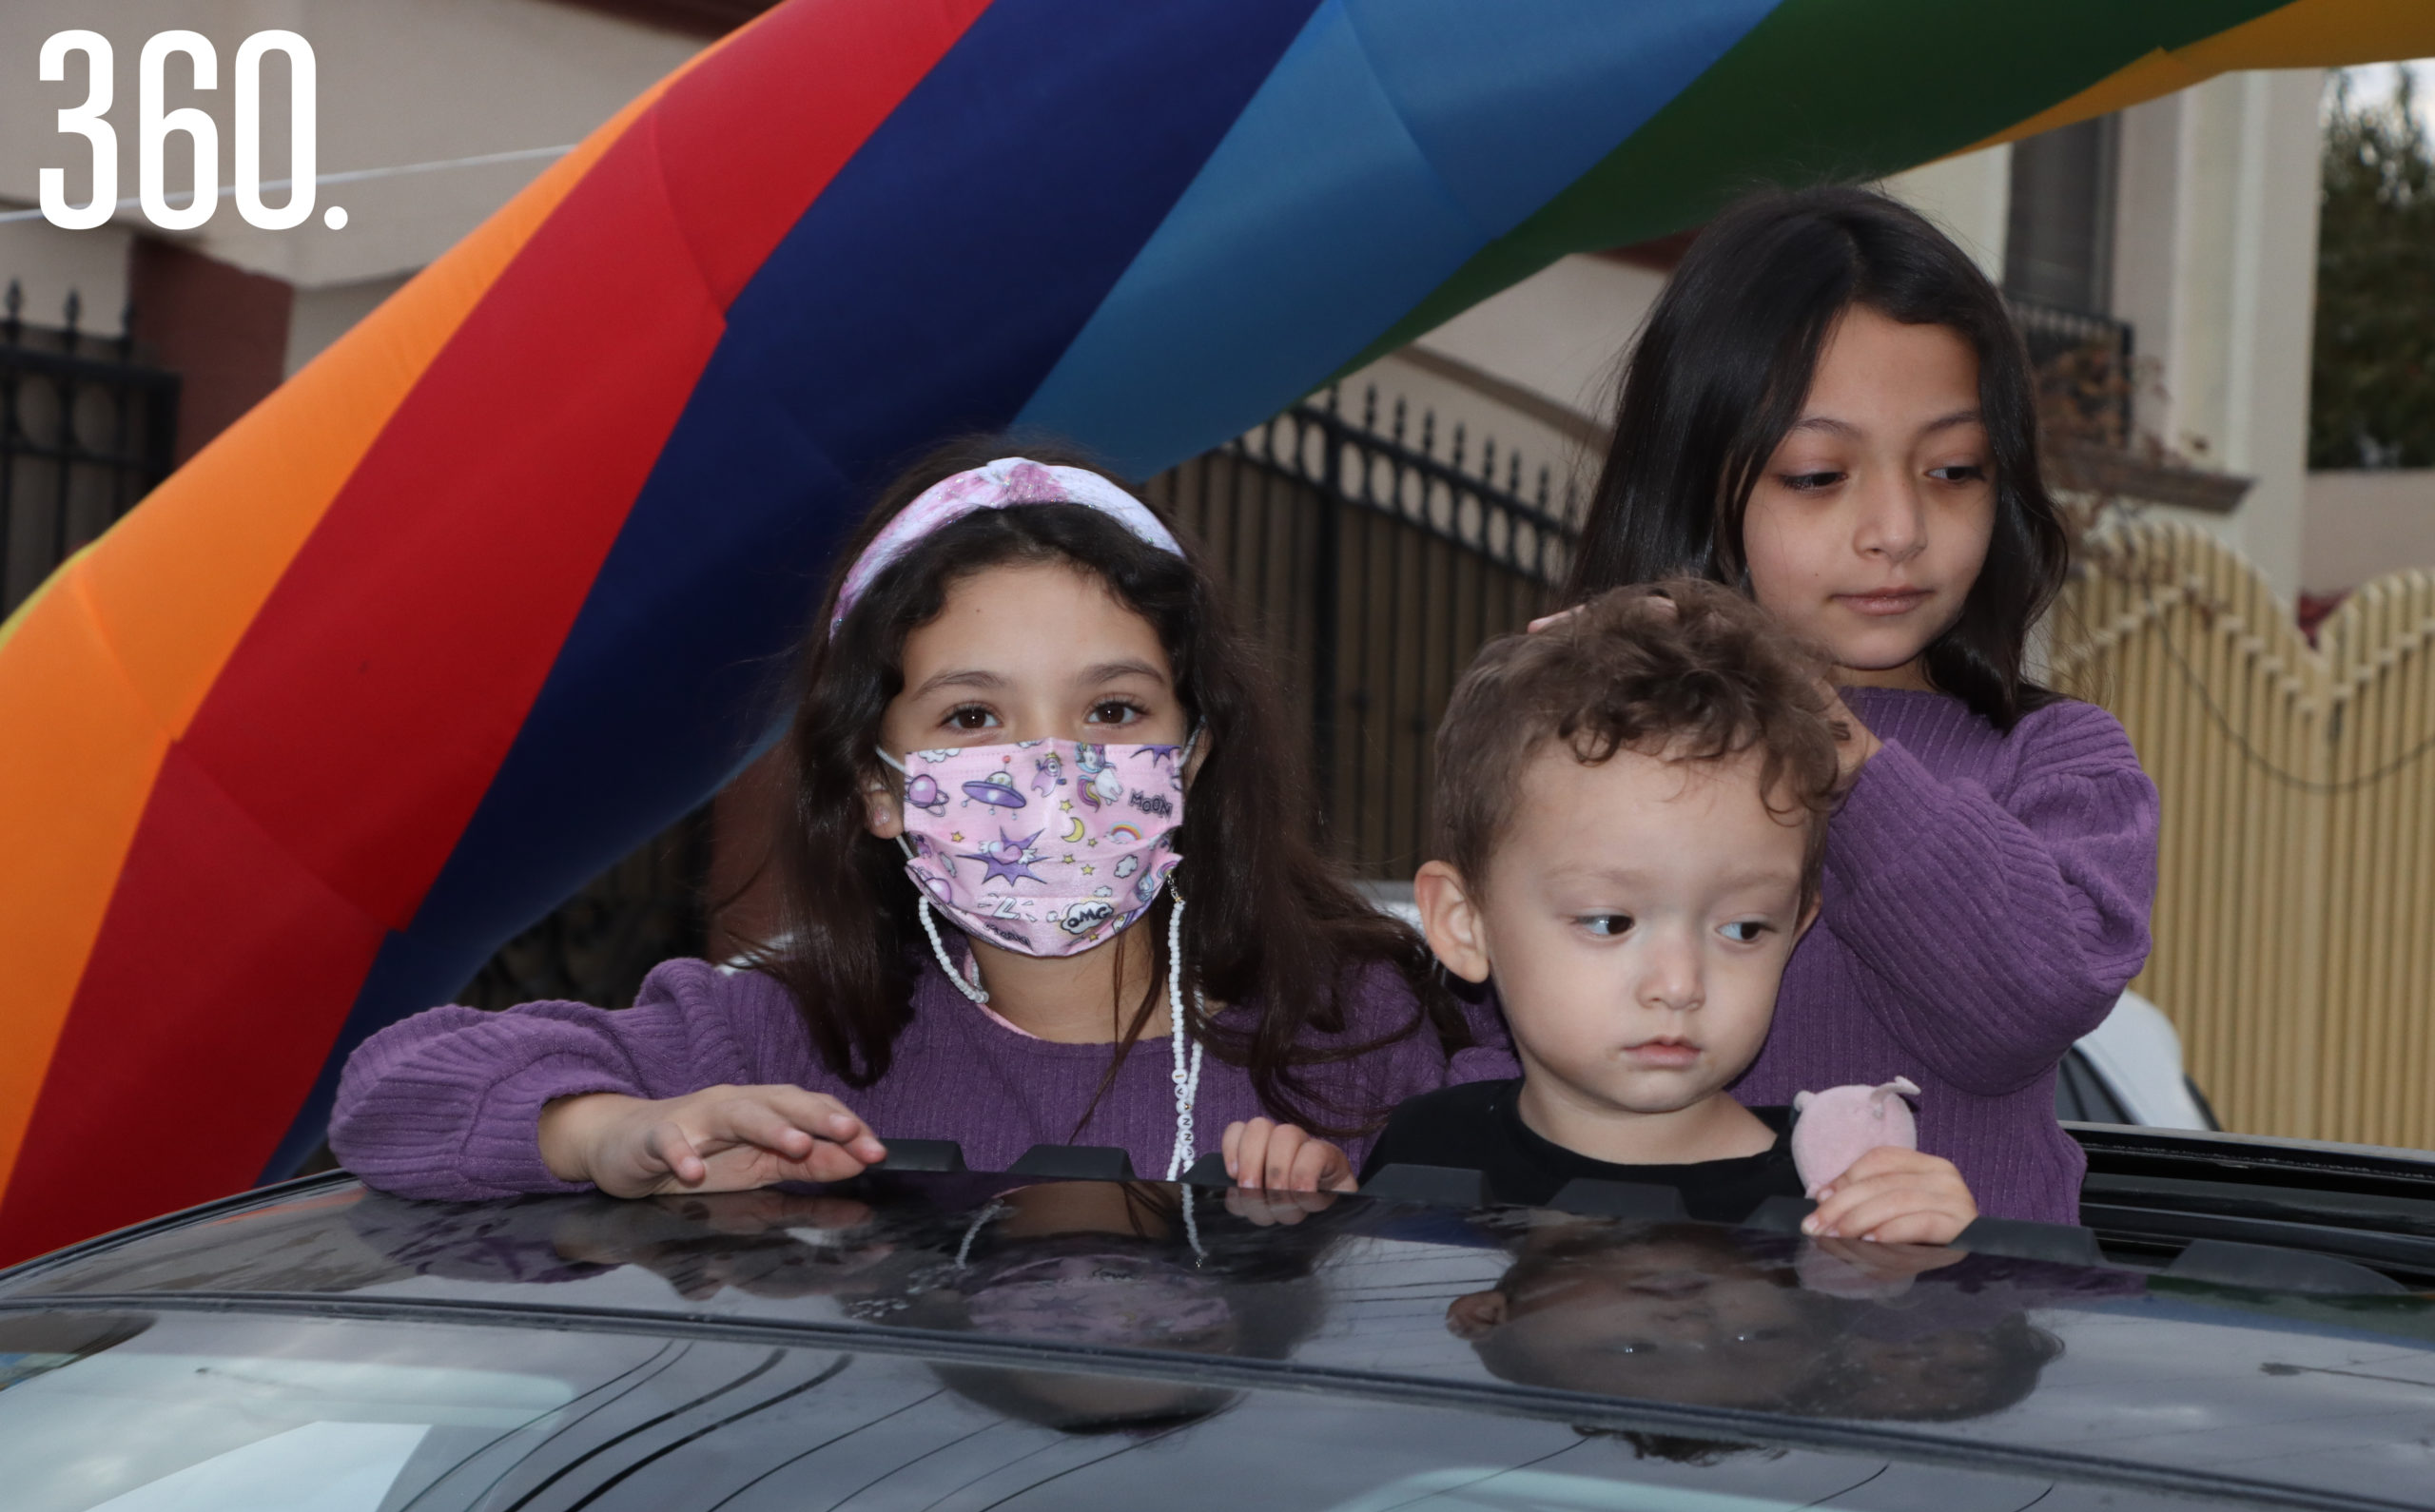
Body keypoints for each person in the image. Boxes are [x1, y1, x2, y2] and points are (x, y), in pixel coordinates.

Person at [331, 441, 1488, 1199]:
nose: (1052, 768)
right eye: (974, 714)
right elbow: (391, 1092)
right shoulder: (790, 1043)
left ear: (1191, 757)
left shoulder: (1366, 1031)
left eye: (1114, 709)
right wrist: (618, 1136)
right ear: (877, 787)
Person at [1558, 185, 2159, 1225]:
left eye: (1953, 470)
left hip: (1971, 1358)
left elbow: (2023, 1004)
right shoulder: (1581, 751)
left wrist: (1829, 747)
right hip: (1660, 1353)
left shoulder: (2059, 761)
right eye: (1818, 473)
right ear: (1699, 483)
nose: (1896, 528)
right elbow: (1493, 1058)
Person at [1363, 581, 1978, 1244]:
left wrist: (1948, 1281)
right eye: (1610, 922)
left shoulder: (1834, 1198)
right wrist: (1289, 1232)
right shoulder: (1425, 1150)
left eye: (1743, 929)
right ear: (1463, 923)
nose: (1680, 983)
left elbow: (1926, 1347)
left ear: (1796, 928)